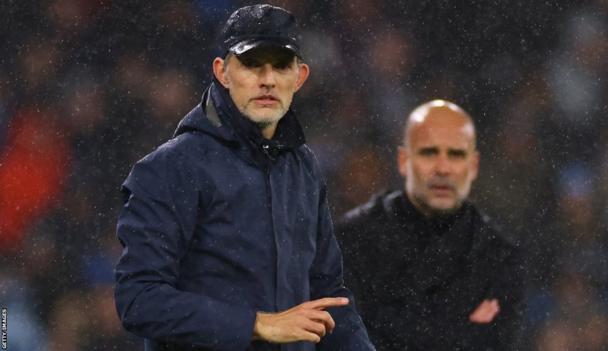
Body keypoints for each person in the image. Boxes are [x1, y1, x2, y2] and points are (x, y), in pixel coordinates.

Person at [114, 5, 374, 351]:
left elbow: (327, 298)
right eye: (252, 63)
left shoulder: (303, 168)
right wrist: (257, 324)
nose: (267, 79)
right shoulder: (171, 167)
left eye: (281, 65)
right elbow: (139, 299)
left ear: (299, 77)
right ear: (222, 72)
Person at [335, 100, 524, 350]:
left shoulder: (499, 255)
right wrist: (459, 329)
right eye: (429, 152)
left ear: (474, 166)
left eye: (456, 154)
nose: (443, 168)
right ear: (403, 160)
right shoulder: (351, 240)